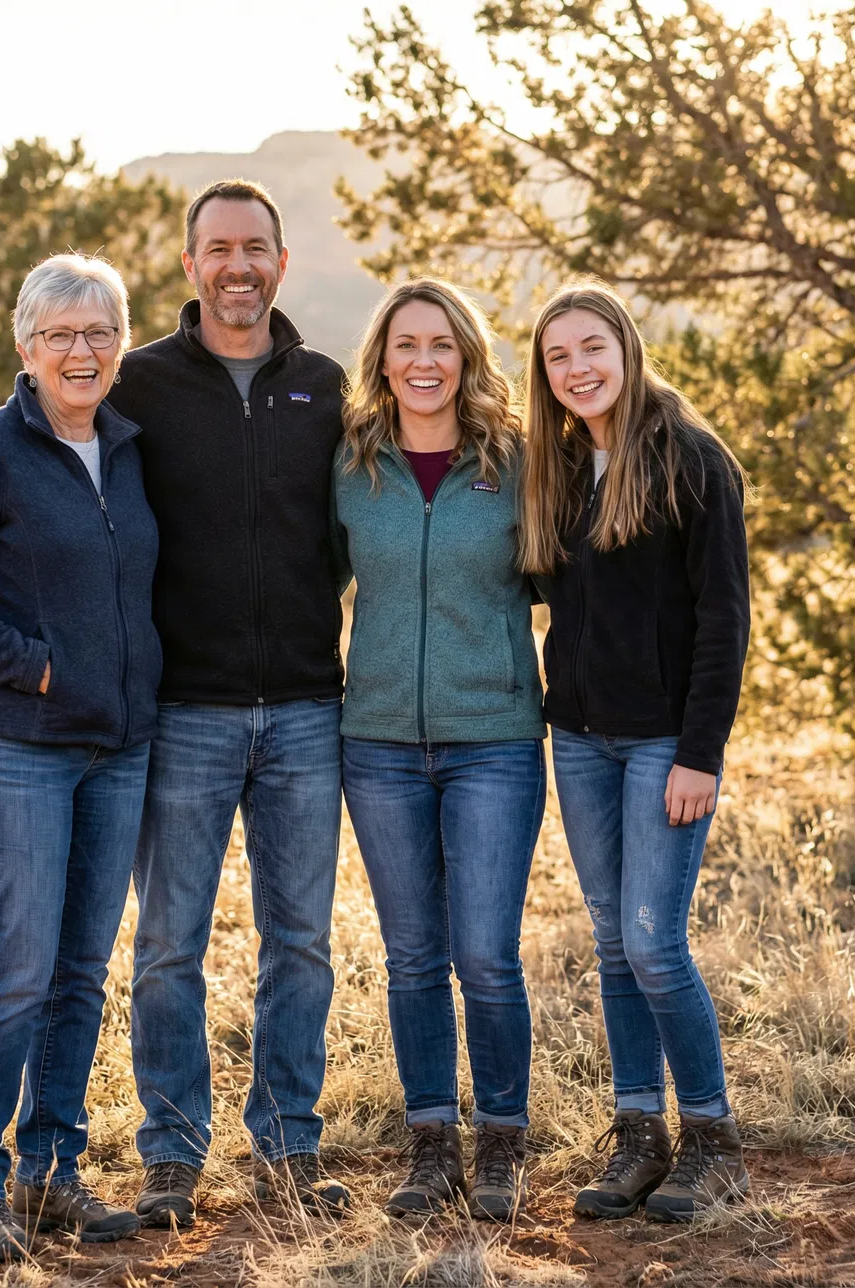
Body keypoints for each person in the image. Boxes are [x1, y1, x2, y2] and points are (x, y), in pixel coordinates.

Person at [103, 180, 350, 1224]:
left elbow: (353, 533)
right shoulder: (140, 385)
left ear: (281, 263)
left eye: (256, 248)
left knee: (301, 943)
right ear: (190, 264)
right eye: (219, 249)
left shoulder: (327, 386)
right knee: (169, 946)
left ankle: (288, 1148)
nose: (238, 266)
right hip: (185, 712)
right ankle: (172, 1155)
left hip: (307, 710)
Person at [0, 254, 157, 1261]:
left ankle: (51, 1173)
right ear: (27, 346)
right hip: (17, 747)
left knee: (82, 970)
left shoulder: (131, 450)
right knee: (19, 964)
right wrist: (41, 669)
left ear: (122, 342)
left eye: (99, 332)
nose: (80, 352)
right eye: (60, 335)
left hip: (119, 749)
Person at [517, 280, 753, 1223]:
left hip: (664, 745)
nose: (577, 369)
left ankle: (714, 1142)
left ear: (626, 348)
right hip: (578, 739)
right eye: (558, 357)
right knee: (614, 944)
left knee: (655, 942)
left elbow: (724, 620)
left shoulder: (692, 461)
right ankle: (638, 1137)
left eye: (592, 349)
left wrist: (701, 752)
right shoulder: (561, 467)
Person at [332, 279, 545, 1222]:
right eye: (406, 345)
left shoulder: (519, 460)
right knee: (413, 957)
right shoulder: (350, 463)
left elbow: (574, 580)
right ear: (382, 360)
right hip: (377, 742)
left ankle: (502, 1142)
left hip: (494, 740)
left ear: (467, 356)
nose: (424, 362)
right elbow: (302, 578)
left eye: (442, 345)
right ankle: (431, 1147)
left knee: (486, 955)